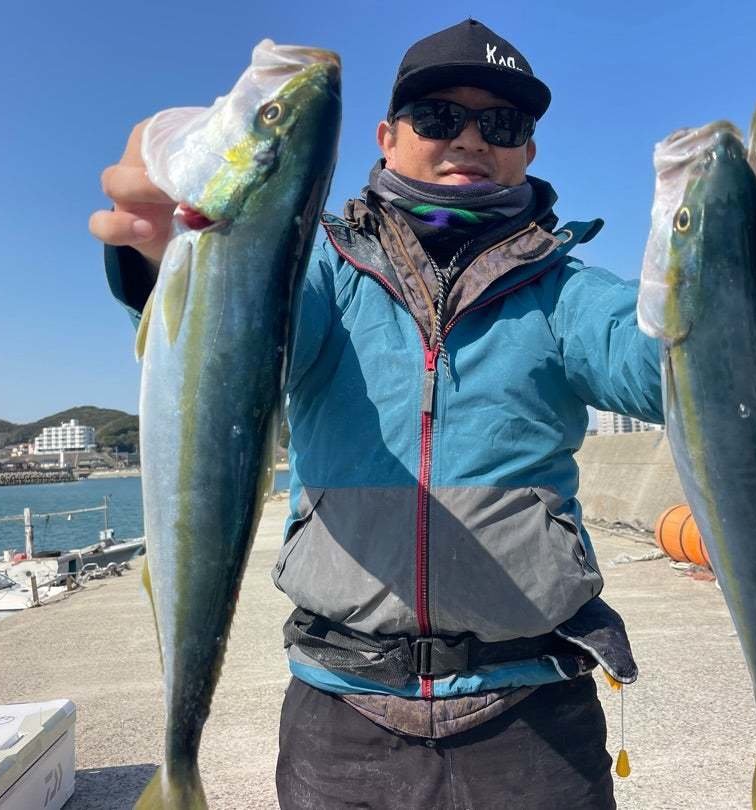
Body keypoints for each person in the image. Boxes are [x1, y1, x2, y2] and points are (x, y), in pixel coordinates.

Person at [91, 19, 665, 810]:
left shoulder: (564, 290)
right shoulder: (317, 269)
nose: (470, 138)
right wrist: (164, 256)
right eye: (438, 117)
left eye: (501, 124)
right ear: (387, 137)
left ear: (528, 150)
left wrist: (739, 304)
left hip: (534, 711)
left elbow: (657, 362)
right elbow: (236, 336)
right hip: (342, 714)